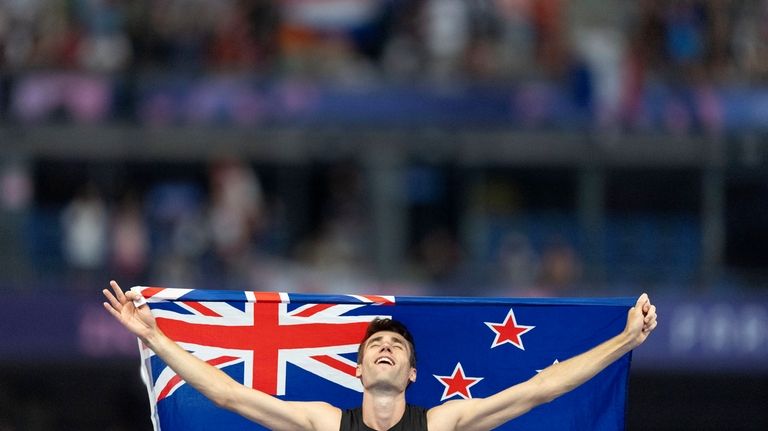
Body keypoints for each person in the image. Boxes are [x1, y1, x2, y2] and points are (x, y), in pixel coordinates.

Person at [103, 280, 657, 431]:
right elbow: (226, 392)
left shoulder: (442, 423)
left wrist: (625, 340)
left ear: (413, 372)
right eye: (376, 346)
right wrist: (154, 337)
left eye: (396, 346)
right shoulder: (324, 423)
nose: (386, 348)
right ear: (359, 369)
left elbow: (542, 388)